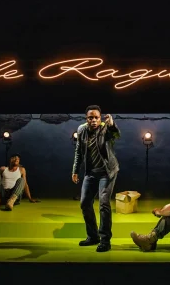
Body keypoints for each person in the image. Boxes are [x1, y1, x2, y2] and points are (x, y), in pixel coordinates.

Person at [72, 105, 121, 252]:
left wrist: (112, 125)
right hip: (91, 173)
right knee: (85, 203)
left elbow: (116, 134)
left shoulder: (106, 128)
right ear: (86, 119)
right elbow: (78, 151)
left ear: (100, 118)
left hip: (107, 172)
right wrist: (75, 170)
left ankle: (105, 240)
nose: (93, 120)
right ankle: (93, 236)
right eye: (90, 118)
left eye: (96, 118)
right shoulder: (81, 130)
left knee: (103, 204)